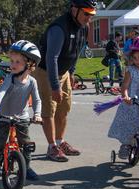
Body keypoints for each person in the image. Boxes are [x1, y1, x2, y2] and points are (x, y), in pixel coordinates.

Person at [33, 0, 96, 162]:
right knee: (49, 111)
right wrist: (55, 86)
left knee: (64, 109)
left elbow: (76, 51)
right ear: (74, 9)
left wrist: (72, 72)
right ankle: (52, 147)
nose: (89, 18)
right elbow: (51, 58)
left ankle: (60, 142)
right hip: (46, 72)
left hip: (65, 73)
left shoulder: (84, 27)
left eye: (91, 14)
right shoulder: (59, 28)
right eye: (86, 14)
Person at [0, 40, 42, 181]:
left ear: (29, 65)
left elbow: (36, 100)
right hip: (4, 115)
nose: (12, 65)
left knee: (26, 144)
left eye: (17, 62)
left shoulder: (32, 82)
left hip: (21, 117)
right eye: (11, 61)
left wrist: (37, 114)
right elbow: (1, 92)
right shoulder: (9, 78)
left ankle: (26, 167)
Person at [108, 35, 139, 159]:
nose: (137, 60)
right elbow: (125, 86)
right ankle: (126, 144)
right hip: (132, 101)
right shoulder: (131, 70)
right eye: (135, 58)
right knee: (129, 123)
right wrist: (126, 96)